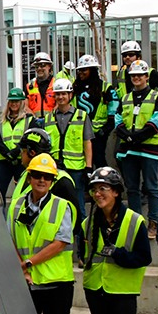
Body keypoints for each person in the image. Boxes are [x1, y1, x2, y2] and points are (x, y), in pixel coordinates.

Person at [80, 166, 152, 314]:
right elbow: (83, 254)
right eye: (94, 190)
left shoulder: (135, 221)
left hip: (122, 293)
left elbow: (144, 257)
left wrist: (117, 254)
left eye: (103, 189)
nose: (97, 194)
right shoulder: (87, 223)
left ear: (116, 192)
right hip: (95, 290)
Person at [9, 153, 76, 314]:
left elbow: (59, 244)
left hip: (56, 284)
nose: (42, 180)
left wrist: (27, 264)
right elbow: (9, 240)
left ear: (53, 181)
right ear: (29, 178)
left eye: (47, 177)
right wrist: (21, 269)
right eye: (37, 175)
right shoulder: (16, 205)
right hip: (26, 283)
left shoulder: (62, 206)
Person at [114, 59, 158, 237]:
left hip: (149, 150)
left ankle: (153, 223)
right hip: (128, 150)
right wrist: (128, 137)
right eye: (133, 75)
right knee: (132, 189)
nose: (136, 78)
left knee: (152, 188)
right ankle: (136, 222)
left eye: (140, 75)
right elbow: (118, 119)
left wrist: (136, 137)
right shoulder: (125, 98)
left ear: (147, 77)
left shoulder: (157, 97)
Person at [45, 78, 93, 213]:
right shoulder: (49, 118)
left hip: (76, 168)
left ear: (70, 95)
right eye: (58, 94)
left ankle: (80, 234)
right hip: (56, 167)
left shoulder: (81, 116)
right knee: (56, 205)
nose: (61, 97)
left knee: (79, 206)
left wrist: (88, 167)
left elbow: (87, 143)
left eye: (64, 94)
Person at [72, 55, 118, 169]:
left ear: (92, 70)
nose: (80, 73)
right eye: (79, 70)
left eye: (84, 70)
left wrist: (105, 130)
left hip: (98, 134)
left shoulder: (105, 88)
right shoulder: (75, 87)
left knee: (99, 160)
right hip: (79, 132)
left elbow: (114, 110)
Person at [116, 41, 158, 112]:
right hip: (127, 117)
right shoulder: (120, 75)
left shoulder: (150, 73)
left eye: (131, 55)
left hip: (149, 117)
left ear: (138, 56)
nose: (127, 57)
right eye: (124, 55)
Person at [0, 88, 30, 206]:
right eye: (11, 101)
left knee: (22, 191)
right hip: (4, 161)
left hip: (21, 160)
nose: (13, 104)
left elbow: (29, 138)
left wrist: (15, 152)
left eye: (17, 101)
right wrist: (7, 154)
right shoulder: (0, 120)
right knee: (0, 192)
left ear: (22, 103)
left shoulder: (29, 119)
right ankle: (1, 218)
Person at [26, 51, 57, 122]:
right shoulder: (29, 86)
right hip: (34, 123)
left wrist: (48, 118)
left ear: (49, 66)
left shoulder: (56, 84)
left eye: (42, 65)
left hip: (53, 122)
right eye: (37, 66)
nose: (39, 68)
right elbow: (25, 106)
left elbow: (59, 104)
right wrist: (34, 118)